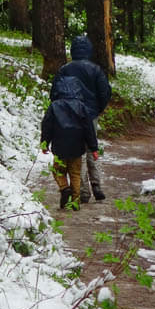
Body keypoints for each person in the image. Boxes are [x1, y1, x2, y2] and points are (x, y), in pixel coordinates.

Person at [52, 35, 111, 201]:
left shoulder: (64, 69)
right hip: (90, 115)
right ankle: (96, 185)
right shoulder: (96, 70)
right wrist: (98, 109)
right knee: (92, 148)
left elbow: (54, 93)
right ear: (89, 50)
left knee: (78, 152)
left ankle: (84, 192)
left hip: (69, 117)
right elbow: (104, 92)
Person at [41, 71, 100, 210]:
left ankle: (64, 188)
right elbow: (89, 129)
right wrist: (94, 148)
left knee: (57, 171)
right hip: (77, 146)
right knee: (75, 174)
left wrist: (45, 143)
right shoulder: (81, 106)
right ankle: (75, 202)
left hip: (60, 146)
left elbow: (47, 126)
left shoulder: (54, 106)